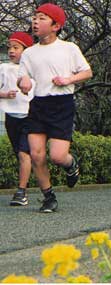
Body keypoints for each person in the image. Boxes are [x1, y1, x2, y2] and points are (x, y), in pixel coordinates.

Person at [17, 3, 93, 213]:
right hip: (39, 104)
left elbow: (87, 72)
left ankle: (71, 164)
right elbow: (23, 77)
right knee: (36, 155)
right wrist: (23, 82)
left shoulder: (69, 48)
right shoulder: (29, 53)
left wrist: (69, 78)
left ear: (56, 25)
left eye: (42, 18)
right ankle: (48, 197)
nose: (35, 21)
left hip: (62, 104)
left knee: (57, 156)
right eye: (35, 17)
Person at [0, 32, 34, 206]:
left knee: (23, 154)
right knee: (20, 154)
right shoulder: (4, 68)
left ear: (26, 51)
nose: (11, 51)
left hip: (31, 117)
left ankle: (21, 192)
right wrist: (5, 94)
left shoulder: (33, 69)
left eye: (16, 47)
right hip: (11, 117)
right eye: (9, 48)